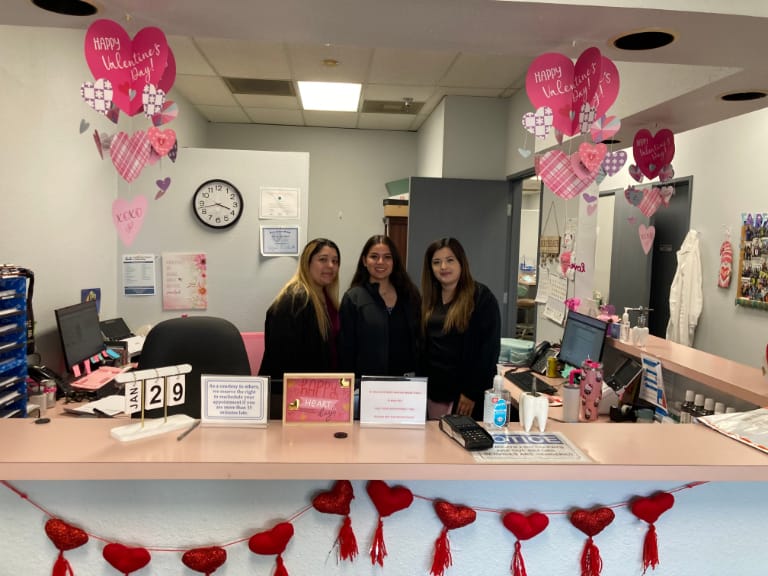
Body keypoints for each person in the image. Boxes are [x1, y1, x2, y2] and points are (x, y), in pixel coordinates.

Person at [420, 237, 500, 420]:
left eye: (450, 260)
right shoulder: (429, 299)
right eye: (436, 262)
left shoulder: (481, 297)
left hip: (465, 395)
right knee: (434, 437)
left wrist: (471, 392)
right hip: (434, 391)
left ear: (461, 262)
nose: (443, 267)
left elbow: (488, 351)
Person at [339, 235, 421, 378]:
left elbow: (419, 342)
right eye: (374, 257)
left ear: (394, 261)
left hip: (407, 383)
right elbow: (346, 350)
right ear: (365, 261)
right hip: (367, 384)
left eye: (387, 257)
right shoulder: (353, 298)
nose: (381, 262)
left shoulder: (409, 295)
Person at [259, 238, 341, 381]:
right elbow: (284, 360)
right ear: (306, 263)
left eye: (335, 261)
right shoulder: (294, 301)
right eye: (323, 259)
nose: (330, 265)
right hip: (297, 389)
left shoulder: (327, 298)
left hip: (325, 385)